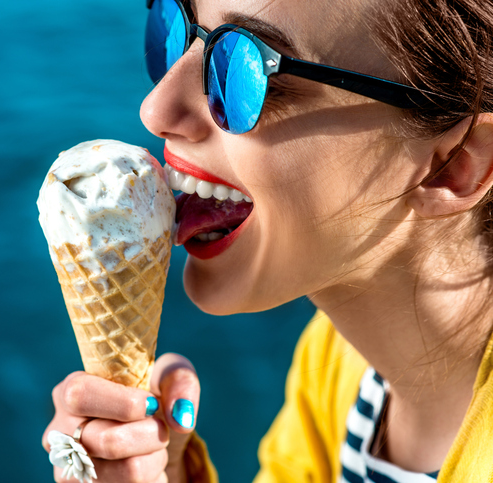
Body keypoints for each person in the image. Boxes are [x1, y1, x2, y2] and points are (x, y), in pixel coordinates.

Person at [42, 0, 493, 481]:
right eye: (173, 28)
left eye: (245, 67)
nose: (155, 109)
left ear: (455, 164)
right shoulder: (334, 363)